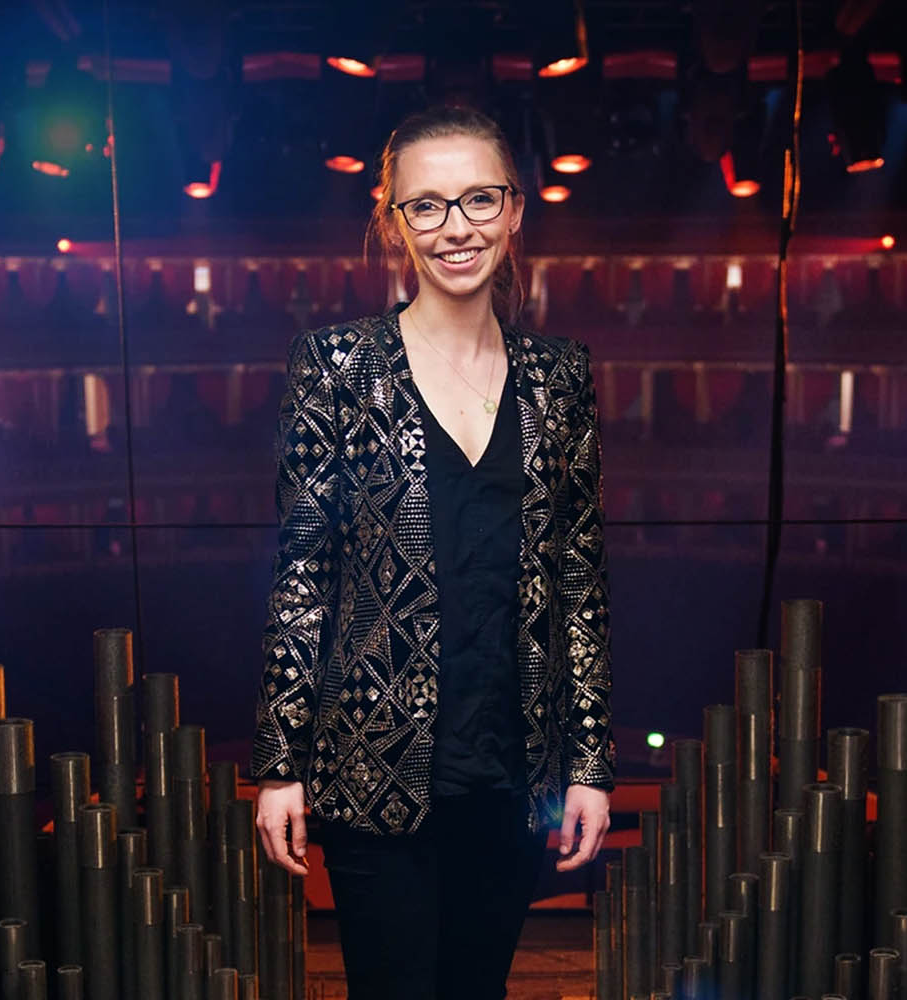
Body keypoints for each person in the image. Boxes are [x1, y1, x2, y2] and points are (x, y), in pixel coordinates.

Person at [251, 104, 616, 1000]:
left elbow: (580, 582)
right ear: (394, 224)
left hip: (514, 774)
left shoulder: (560, 376)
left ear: (515, 210)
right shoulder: (336, 365)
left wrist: (590, 766)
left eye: (479, 199)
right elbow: (304, 573)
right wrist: (279, 763)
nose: (457, 227)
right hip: (373, 765)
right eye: (427, 206)